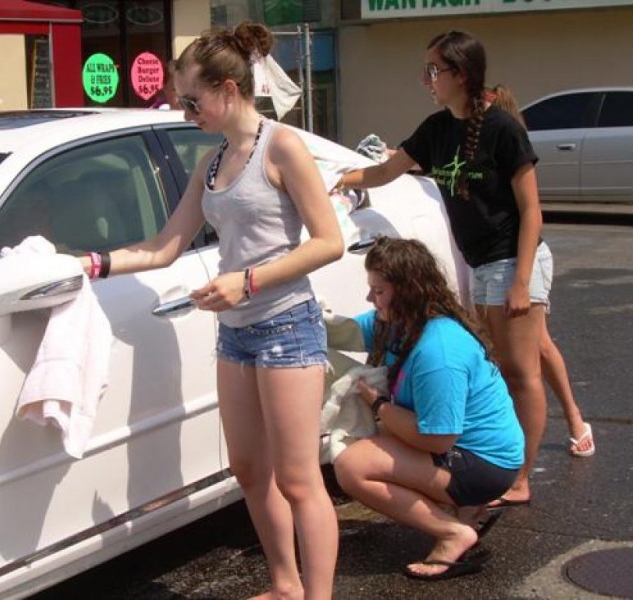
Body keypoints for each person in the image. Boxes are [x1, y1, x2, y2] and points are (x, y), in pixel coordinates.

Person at [80, 22, 343, 600]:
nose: (185, 112)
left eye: (192, 101)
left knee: (300, 480)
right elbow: (164, 245)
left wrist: (245, 282)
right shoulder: (211, 162)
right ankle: (284, 585)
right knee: (251, 472)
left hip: (286, 329)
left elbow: (328, 241)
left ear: (228, 88)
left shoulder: (283, 146)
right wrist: (89, 264)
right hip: (237, 333)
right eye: (180, 101)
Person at [338, 30, 546, 507]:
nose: (425, 79)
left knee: (520, 373)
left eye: (434, 70)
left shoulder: (502, 129)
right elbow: (386, 171)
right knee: (504, 365)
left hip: (515, 259)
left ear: (462, 74)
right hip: (480, 261)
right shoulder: (437, 129)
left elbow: (533, 210)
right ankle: (492, 460)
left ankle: (519, 475)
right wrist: (337, 178)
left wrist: (520, 281)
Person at [333, 236, 524, 581]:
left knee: (352, 466)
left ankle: (453, 532)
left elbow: (438, 439)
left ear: (407, 291)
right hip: (471, 451)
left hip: (485, 463)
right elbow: (345, 333)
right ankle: (464, 507)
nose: (369, 299)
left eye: (378, 291)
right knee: (380, 438)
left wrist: (378, 405)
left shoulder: (439, 352)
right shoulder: (400, 321)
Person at [488, 84, 595, 458]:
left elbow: (531, 214)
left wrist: (521, 279)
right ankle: (574, 420)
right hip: (515, 260)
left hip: (525, 259)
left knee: (535, 353)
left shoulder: (506, 147)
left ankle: (571, 421)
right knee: (540, 346)